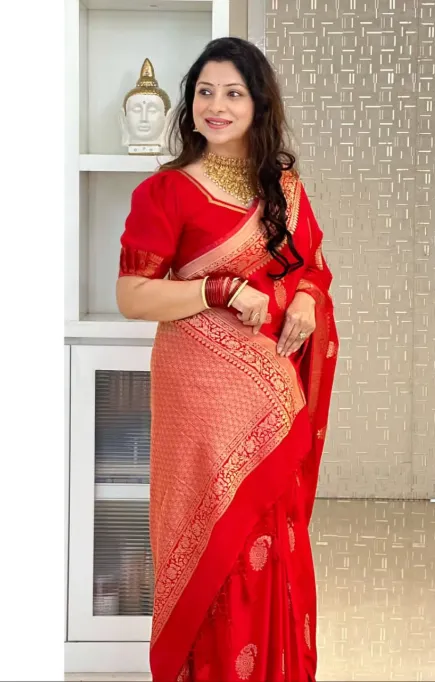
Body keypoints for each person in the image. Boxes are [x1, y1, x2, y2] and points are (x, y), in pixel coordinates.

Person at [117, 36, 338, 682]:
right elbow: (132, 295)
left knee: (269, 538)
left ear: (258, 104)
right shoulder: (166, 192)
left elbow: (312, 270)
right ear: (189, 105)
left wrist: (306, 298)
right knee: (215, 543)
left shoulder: (284, 190)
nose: (216, 106)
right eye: (205, 92)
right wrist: (216, 289)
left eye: (233, 93)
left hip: (271, 402)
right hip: (200, 399)